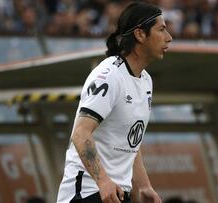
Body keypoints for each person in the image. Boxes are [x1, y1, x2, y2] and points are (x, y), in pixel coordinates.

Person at [57, 1, 172, 203]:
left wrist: (144, 186)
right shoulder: (108, 75)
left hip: (115, 192)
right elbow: (80, 133)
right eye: (161, 29)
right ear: (140, 34)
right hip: (86, 192)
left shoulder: (145, 80)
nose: (169, 37)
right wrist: (102, 181)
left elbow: (130, 141)